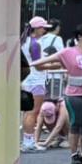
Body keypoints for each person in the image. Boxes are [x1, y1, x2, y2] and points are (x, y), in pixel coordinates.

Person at [31, 23, 82, 164]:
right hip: (74, 94)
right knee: (75, 124)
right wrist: (34, 66)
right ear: (79, 37)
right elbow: (39, 63)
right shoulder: (67, 52)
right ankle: (74, 154)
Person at [21, 16, 61, 152]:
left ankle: (28, 141)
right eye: (43, 28)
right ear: (37, 28)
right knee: (33, 112)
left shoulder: (24, 41)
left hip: (27, 80)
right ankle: (28, 142)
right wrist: (55, 65)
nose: (44, 30)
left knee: (28, 112)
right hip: (36, 81)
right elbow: (39, 66)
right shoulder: (35, 44)